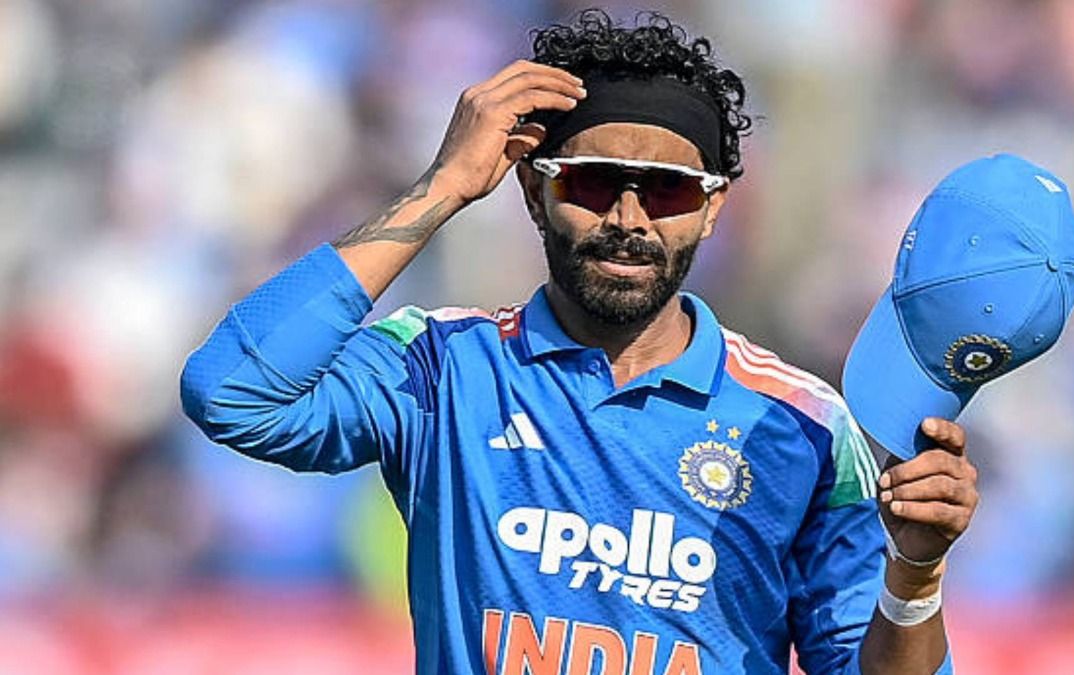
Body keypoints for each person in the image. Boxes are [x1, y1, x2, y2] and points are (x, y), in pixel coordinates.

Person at [181, 10, 978, 675]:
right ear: (535, 188)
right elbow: (231, 392)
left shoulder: (800, 423)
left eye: (667, 190)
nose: (629, 219)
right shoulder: (443, 366)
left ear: (712, 209)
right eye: (593, 182)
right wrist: (445, 185)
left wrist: (914, 572)